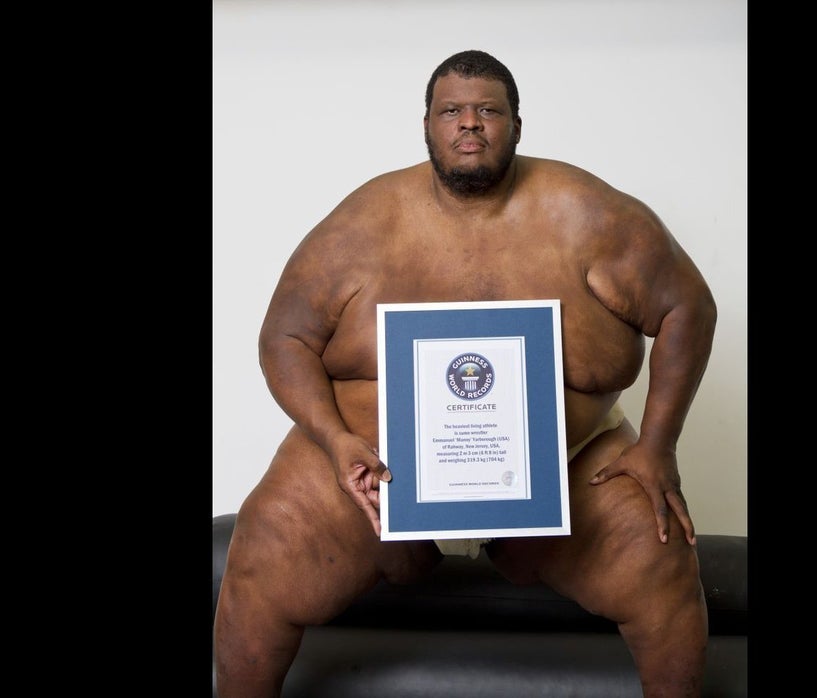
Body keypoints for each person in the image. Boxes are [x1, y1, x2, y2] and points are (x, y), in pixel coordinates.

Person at [214, 49, 717, 698]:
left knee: (662, 550)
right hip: (373, 474)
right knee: (263, 543)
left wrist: (659, 445)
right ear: (426, 124)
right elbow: (283, 338)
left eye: (488, 111)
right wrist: (335, 441)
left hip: (571, 465)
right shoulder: (361, 224)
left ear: (516, 124)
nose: (469, 124)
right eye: (452, 111)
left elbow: (687, 307)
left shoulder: (591, 213)